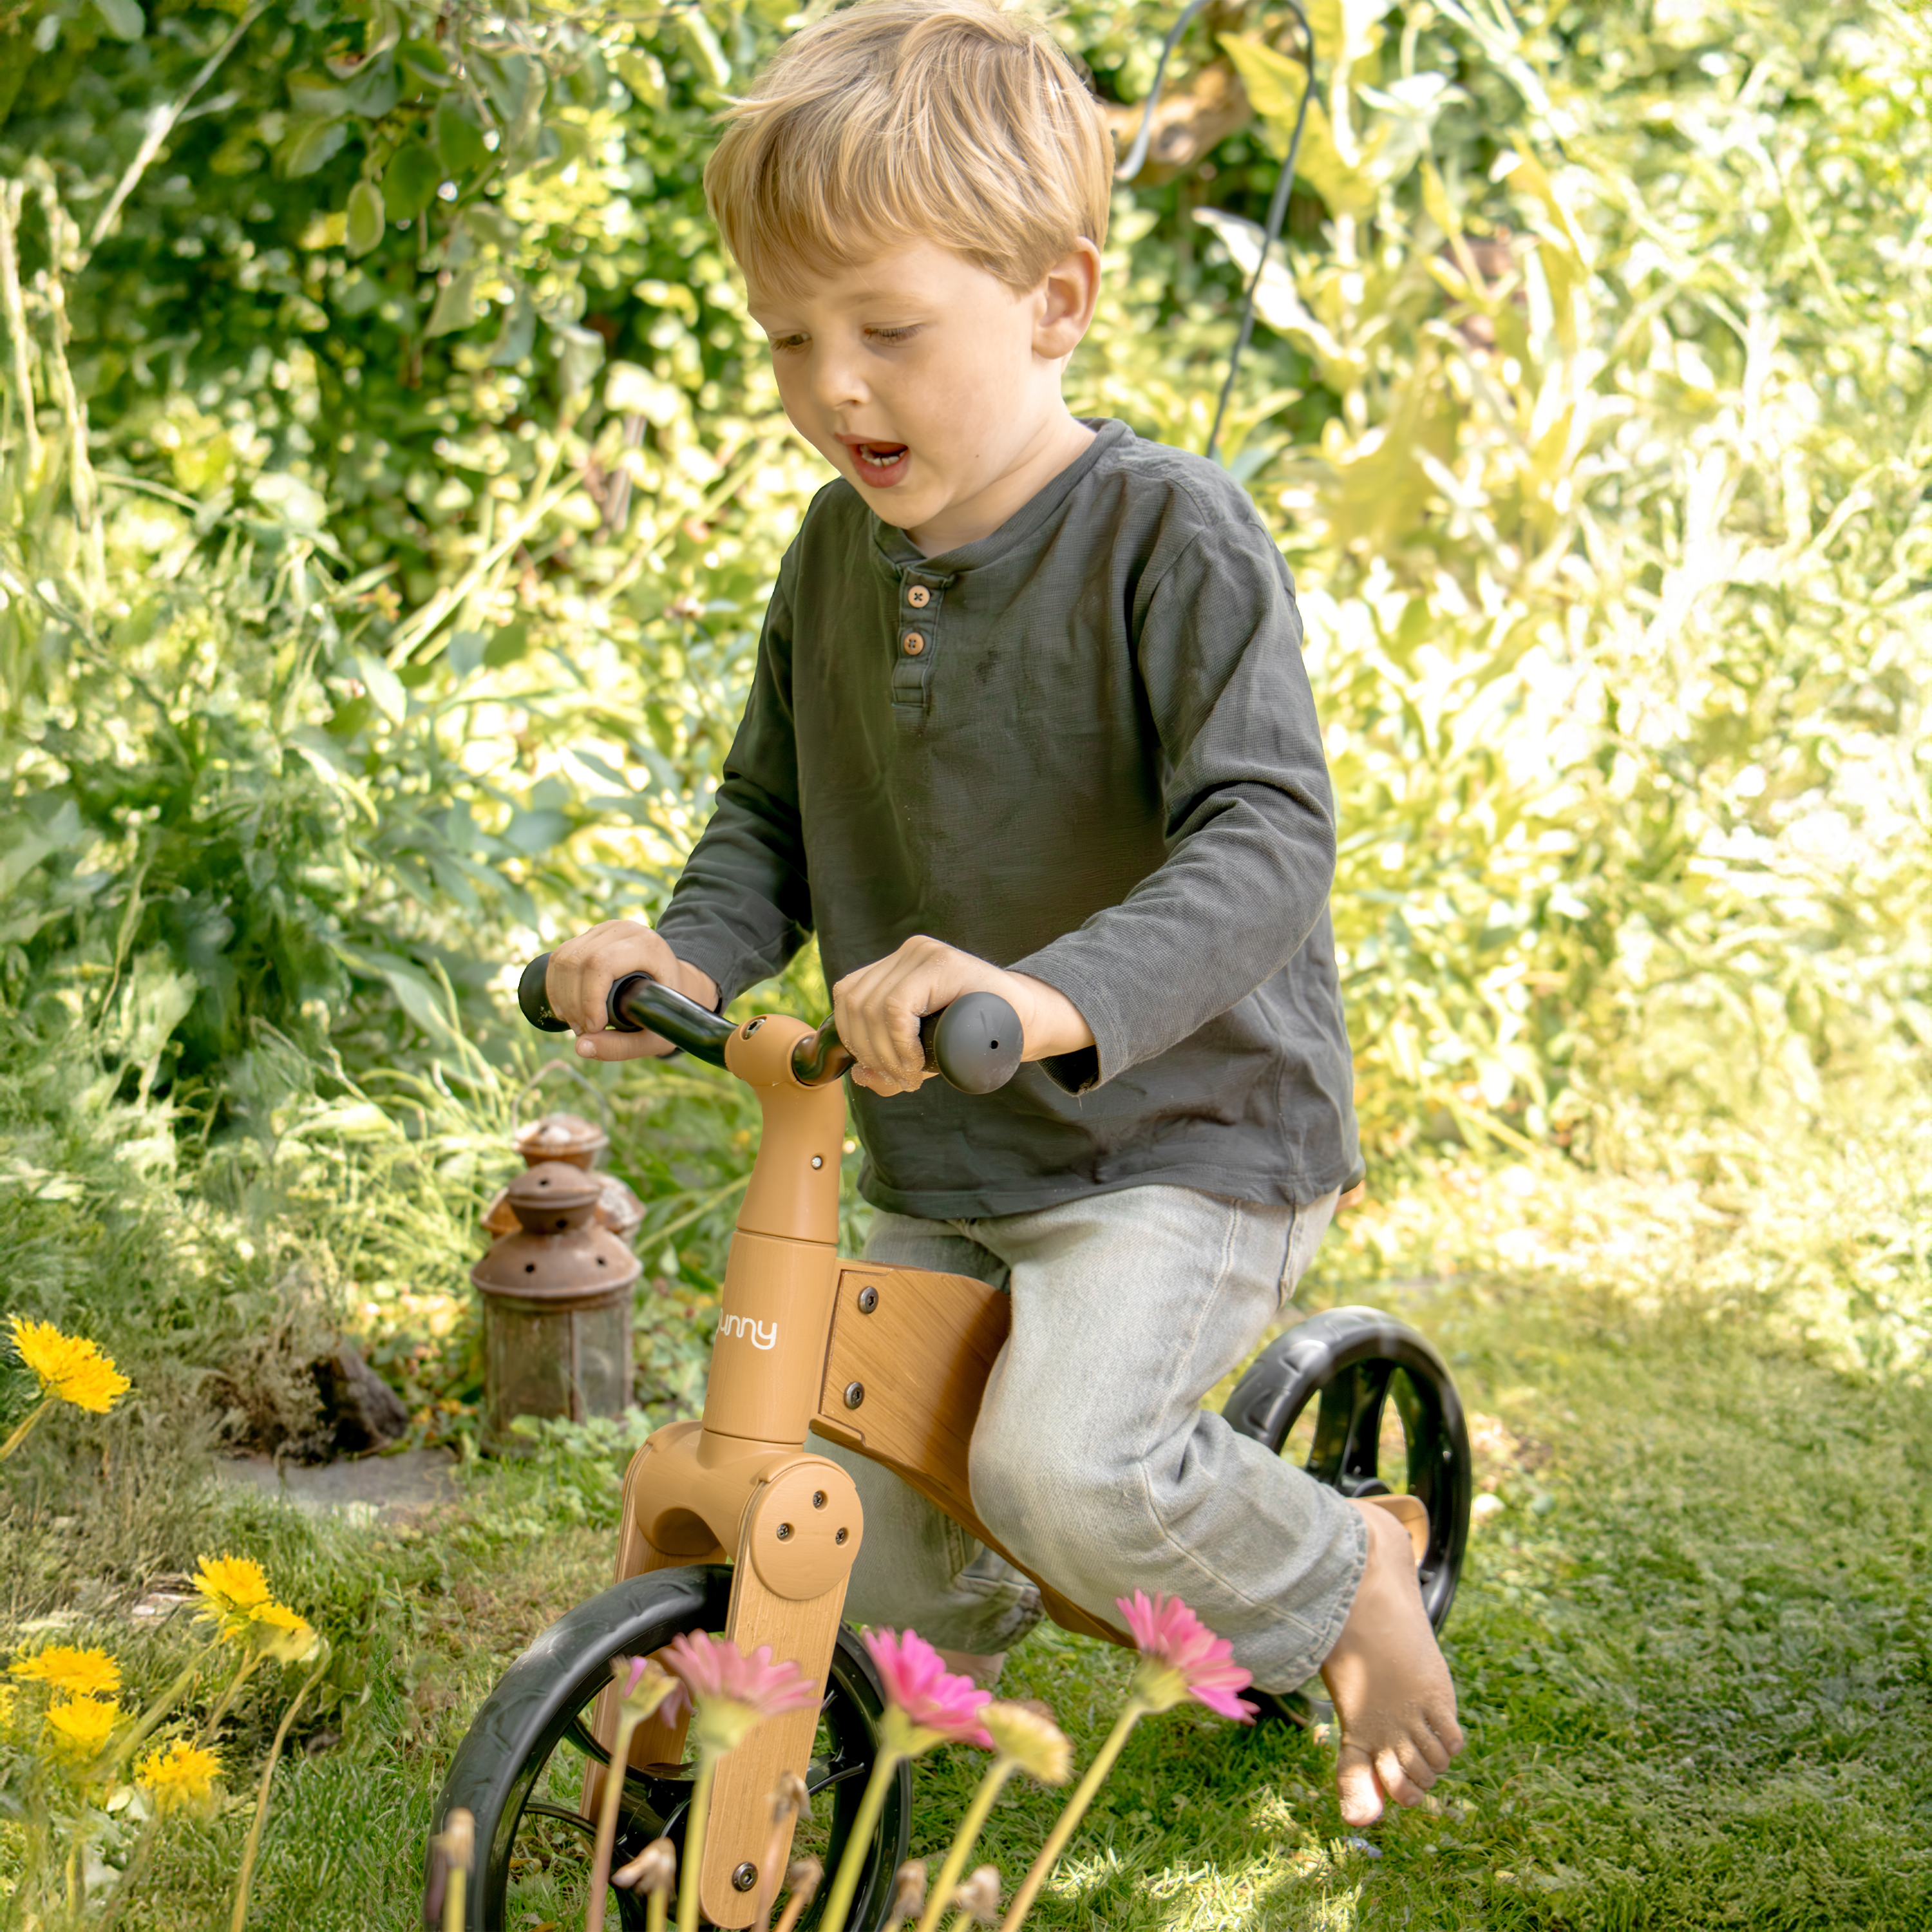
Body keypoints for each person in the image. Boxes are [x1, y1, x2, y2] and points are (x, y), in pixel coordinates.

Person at [544, 0, 1461, 1826]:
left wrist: (1048, 996)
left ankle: (1337, 1565)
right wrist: (689, 950)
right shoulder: (832, 557)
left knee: (1061, 1461)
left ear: (1055, 301)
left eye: (887, 330)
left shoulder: (1169, 536)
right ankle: (816, 1759)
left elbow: (1268, 843)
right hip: (945, 1155)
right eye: (788, 339)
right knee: (859, 1528)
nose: (833, 388)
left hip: (1176, 1142)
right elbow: (769, 821)